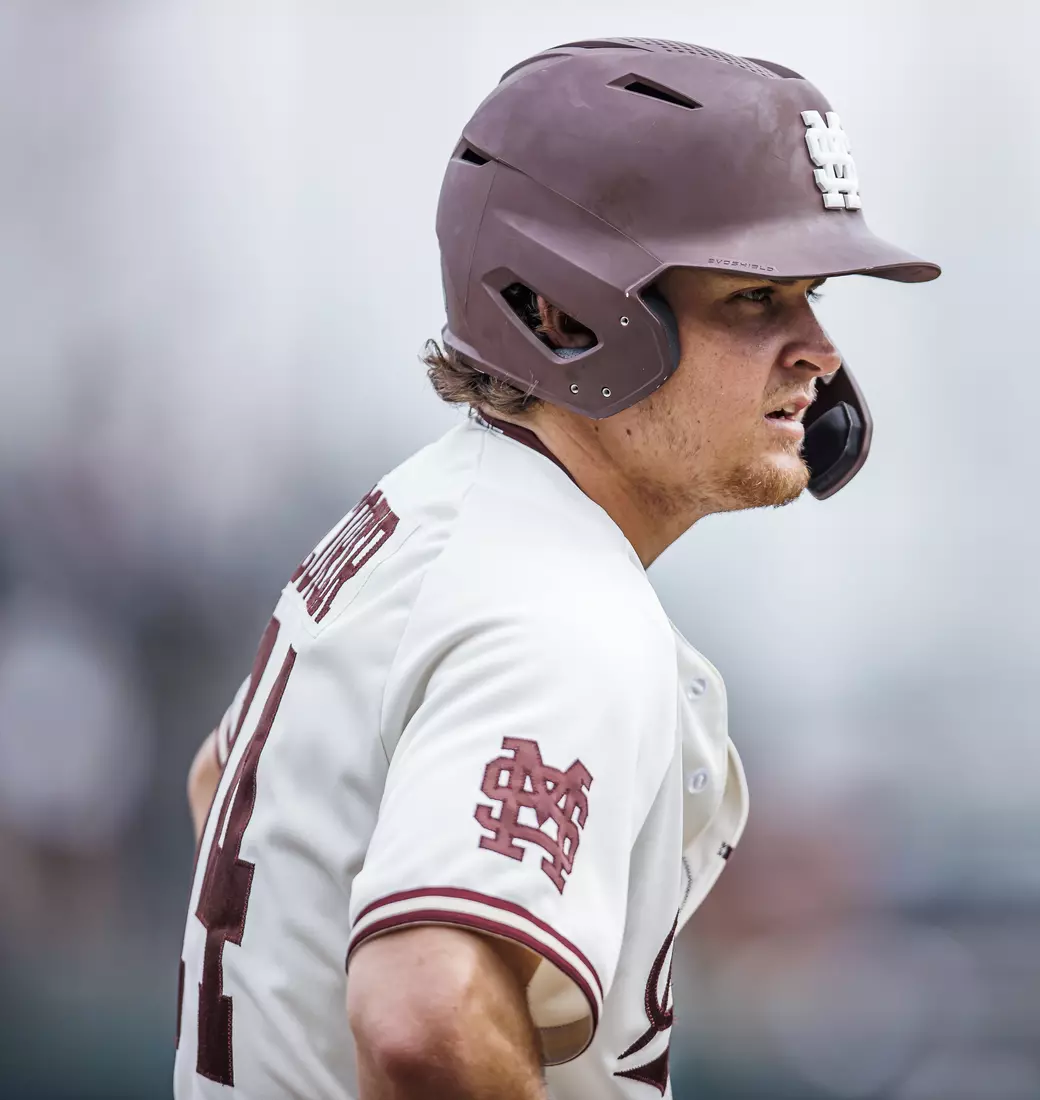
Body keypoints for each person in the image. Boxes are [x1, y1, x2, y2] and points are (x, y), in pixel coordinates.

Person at [172, 36, 938, 1100]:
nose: (819, 348)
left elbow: (223, 783)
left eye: (811, 296)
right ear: (563, 313)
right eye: (756, 298)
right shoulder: (558, 606)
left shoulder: (433, 508)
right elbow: (424, 1020)